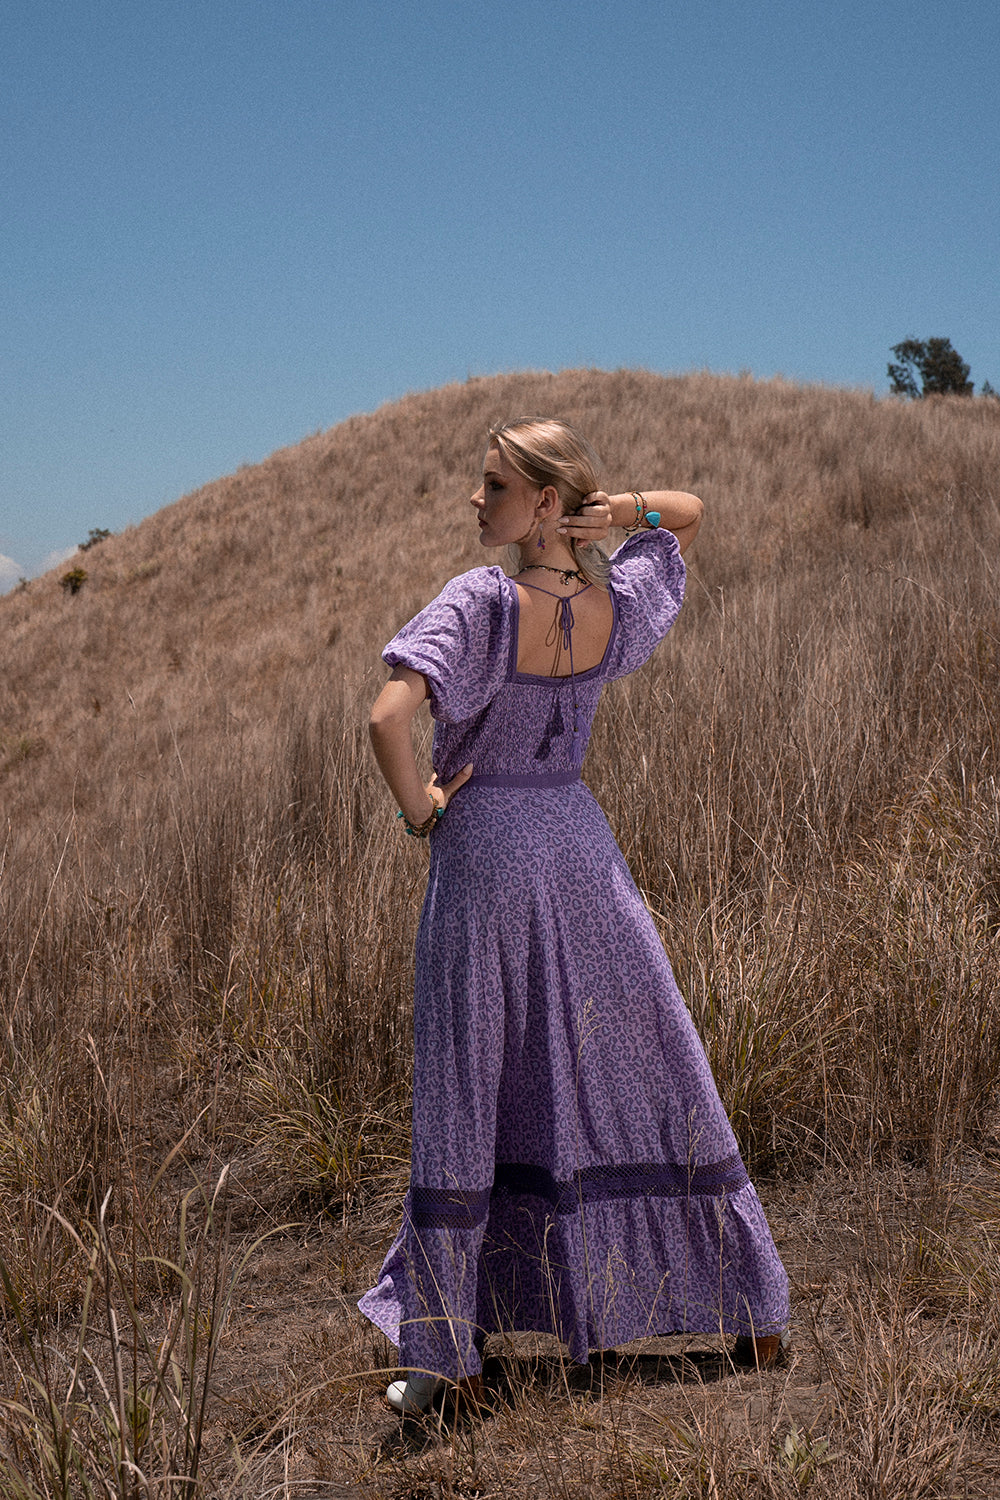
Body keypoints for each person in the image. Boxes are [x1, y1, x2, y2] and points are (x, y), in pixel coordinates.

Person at [358, 418, 789, 1415]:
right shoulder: (612, 601)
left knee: (471, 1082)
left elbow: (387, 715)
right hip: (581, 843)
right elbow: (685, 517)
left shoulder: (478, 600)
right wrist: (619, 512)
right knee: (634, 1058)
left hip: (486, 851)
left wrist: (417, 808)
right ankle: (749, 1310)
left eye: (495, 485)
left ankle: (447, 1357)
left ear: (543, 505)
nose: (476, 500)